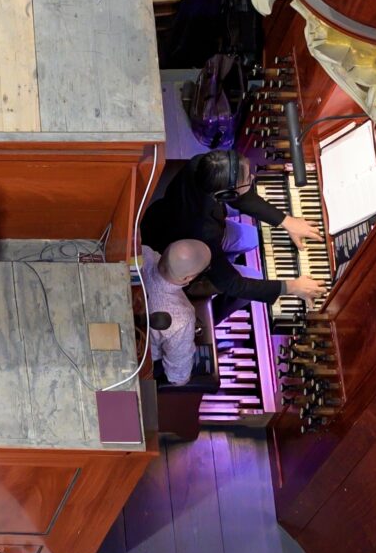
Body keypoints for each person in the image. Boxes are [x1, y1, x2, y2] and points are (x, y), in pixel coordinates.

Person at [138, 151, 322, 307]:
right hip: (187, 258)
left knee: (250, 237)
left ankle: (229, 256)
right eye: (248, 179)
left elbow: (240, 194)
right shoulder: (205, 231)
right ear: (225, 195)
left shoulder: (201, 164)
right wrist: (292, 287)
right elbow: (233, 284)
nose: (252, 178)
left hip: (169, 219)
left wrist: (286, 221)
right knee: (253, 275)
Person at [142, 238, 215, 386]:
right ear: (188, 278)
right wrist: (182, 379)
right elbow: (177, 376)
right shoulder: (182, 318)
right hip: (144, 357)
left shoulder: (144, 252)